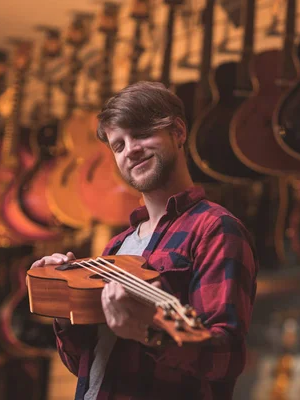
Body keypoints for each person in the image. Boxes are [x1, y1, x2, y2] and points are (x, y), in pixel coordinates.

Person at [30, 81, 259, 399]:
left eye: (140, 134)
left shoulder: (215, 228)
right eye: (118, 146)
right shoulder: (117, 246)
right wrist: (62, 303)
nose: (130, 151)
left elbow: (227, 355)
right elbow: (84, 363)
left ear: (177, 131)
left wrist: (149, 331)